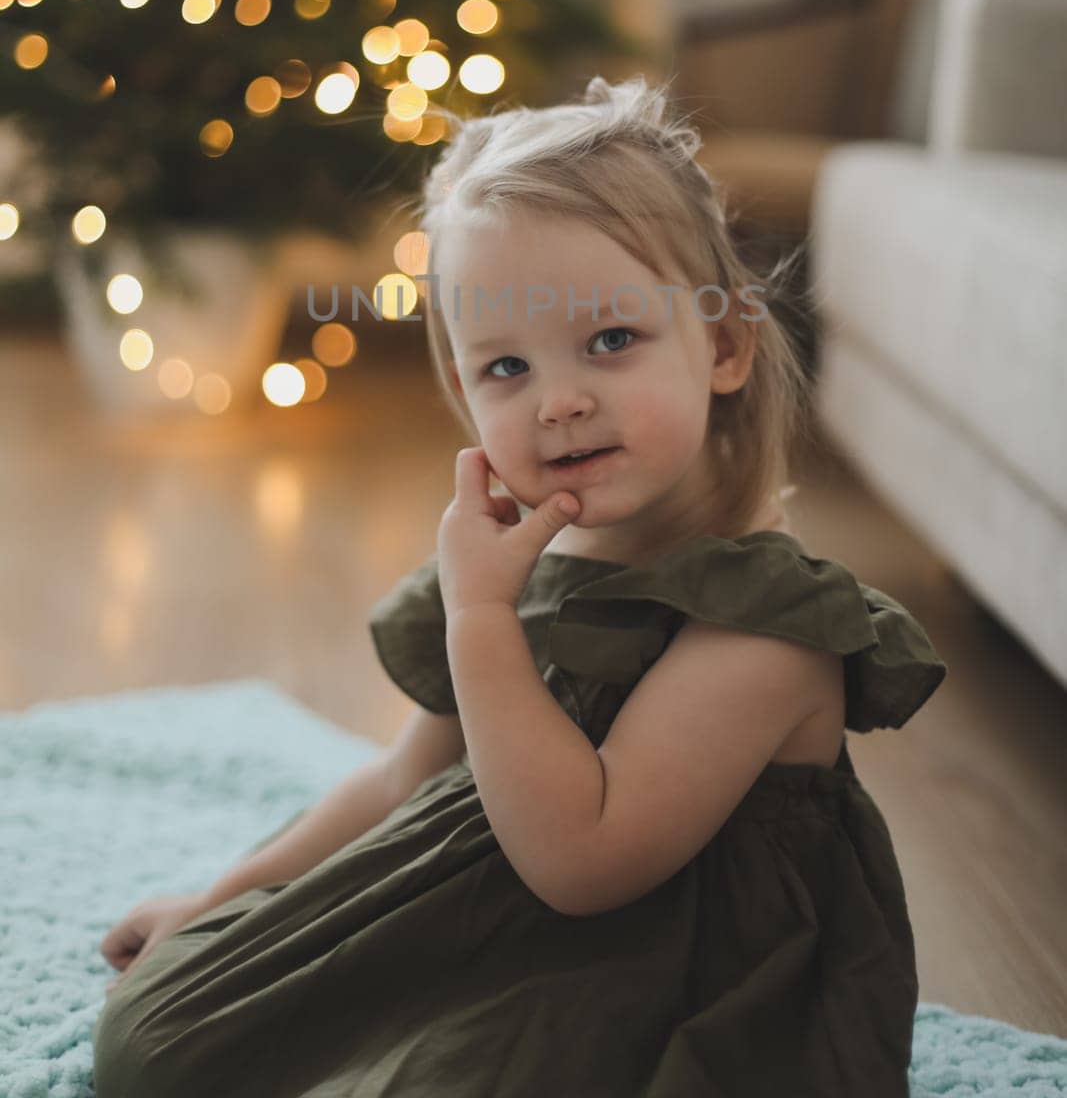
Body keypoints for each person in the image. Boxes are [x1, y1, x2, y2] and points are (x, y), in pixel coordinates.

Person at [93, 72, 947, 1097]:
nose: (560, 401)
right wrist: (215, 897)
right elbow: (402, 781)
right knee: (162, 1036)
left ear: (719, 346)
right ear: (461, 386)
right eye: (506, 368)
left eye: (610, 340)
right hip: (495, 911)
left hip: (670, 981)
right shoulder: (530, 565)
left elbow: (582, 861)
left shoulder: (766, 627)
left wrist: (484, 621)